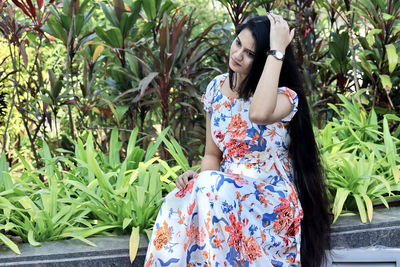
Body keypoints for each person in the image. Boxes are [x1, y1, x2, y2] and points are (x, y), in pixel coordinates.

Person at [144, 13, 330, 267]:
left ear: (267, 59)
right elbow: (212, 155)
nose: (238, 54)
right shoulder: (215, 89)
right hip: (224, 193)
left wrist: (277, 49)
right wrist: (199, 182)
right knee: (177, 199)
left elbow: (258, 113)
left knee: (210, 187)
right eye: (238, 43)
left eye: (251, 53)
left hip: (268, 200)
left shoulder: (285, 97)